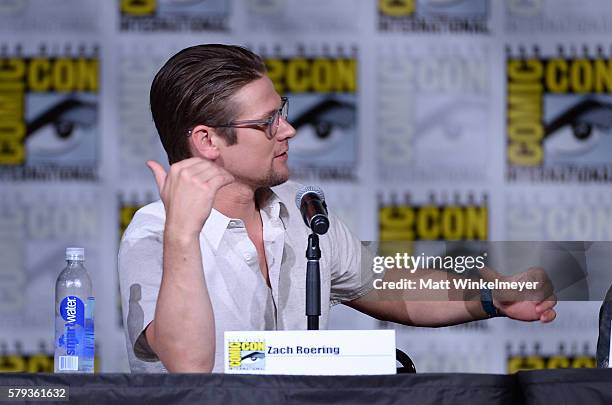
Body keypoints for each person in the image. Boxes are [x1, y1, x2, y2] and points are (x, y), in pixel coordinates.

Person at [118, 44, 557, 373]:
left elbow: (382, 286)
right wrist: (183, 236)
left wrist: (486, 298)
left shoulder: (301, 209)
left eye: (281, 111)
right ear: (207, 140)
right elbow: (188, 366)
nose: (287, 129)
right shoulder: (155, 234)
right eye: (266, 122)